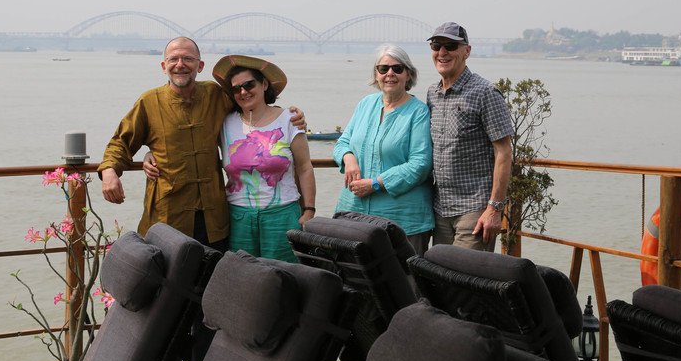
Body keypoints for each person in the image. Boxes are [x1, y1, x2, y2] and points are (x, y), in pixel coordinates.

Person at [98, 37, 305, 248]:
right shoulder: (149, 102)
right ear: (164, 66)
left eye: (188, 58)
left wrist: (289, 115)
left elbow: (251, 105)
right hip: (168, 216)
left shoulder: (216, 96)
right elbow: (120, 143)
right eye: (173, 59)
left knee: (217, 276)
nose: (180, 64)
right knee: (171, 279)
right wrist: (109, 172)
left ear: (200, 65)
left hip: (214, 218)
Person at [211, 54, 315, 262]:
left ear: (264, 84)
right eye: (236, 88)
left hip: (282, 216)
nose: (243, 92)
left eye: (249, 85)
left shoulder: (289, 120)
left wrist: (309, 210)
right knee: (243, 279)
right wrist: (152, 153)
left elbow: (304, 167)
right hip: (238, 217)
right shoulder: (224, 123)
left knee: (285, 278)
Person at [333, 45, 434, 255]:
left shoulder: (418, 112)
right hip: (354, 214)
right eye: (383, 68)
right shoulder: (365, 104)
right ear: (376, 74)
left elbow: (420, 164)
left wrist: (376, 184)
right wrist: (348, 157)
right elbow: (343, 142)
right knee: (357, 282)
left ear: (409, 75)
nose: (390, 74)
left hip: (403, 221)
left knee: (404, 284)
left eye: (397, 68)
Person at [426, 22, 514, 252]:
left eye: (451, 46)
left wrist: (494, 209)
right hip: (440, 209)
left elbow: (504, 152)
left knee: (464, 281)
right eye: (437, 45)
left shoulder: (485, 92)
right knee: (440, 278)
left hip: (475, 210)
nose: (442, 52)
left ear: (467, 51)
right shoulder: (432, 94)